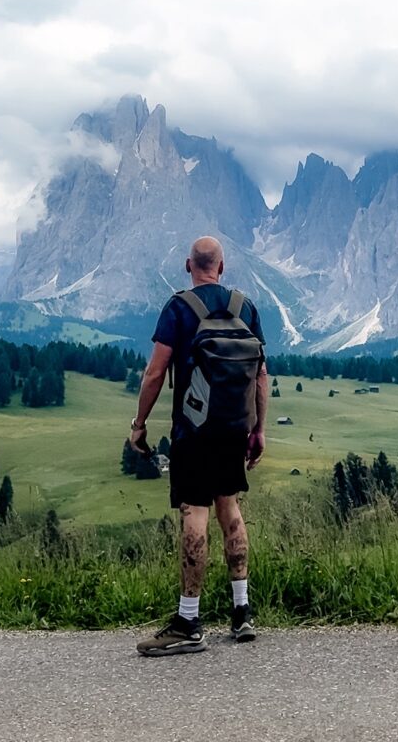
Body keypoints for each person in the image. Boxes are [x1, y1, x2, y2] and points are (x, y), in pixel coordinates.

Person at [131, 236, 268, 656]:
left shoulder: (179, 308)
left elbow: (155, 374)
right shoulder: (245, 307)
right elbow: (261, 375)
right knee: (230, 509)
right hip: (232, 429)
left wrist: (139, 425)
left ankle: (189, 620)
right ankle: (242, 612)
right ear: (221, 268)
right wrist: (258, 429)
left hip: (193, 432)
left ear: (189, 265)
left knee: (195, 513)